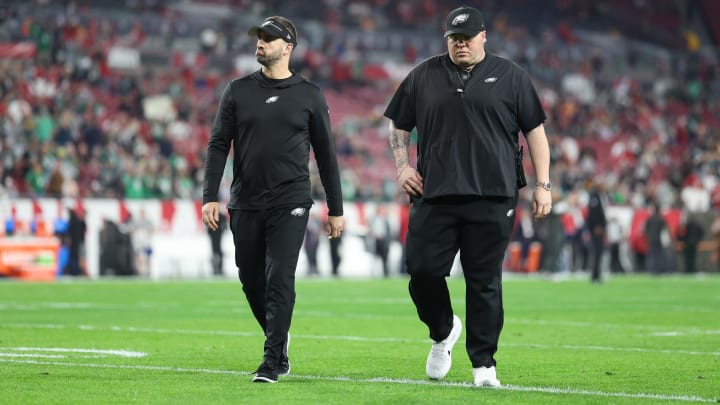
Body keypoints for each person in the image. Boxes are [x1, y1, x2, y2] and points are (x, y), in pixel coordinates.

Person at [384, 6, 551, 388]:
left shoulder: (512, 77)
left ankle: (484, 365)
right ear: (447, 39)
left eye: (467, 37)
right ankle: (443, 331)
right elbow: (399, 124)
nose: (460, 44)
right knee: (422, 271)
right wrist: (402, 166)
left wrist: (544, 185)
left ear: (483, 37)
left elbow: (535, 132)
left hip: (493, 195)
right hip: (435, 192)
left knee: (484, 281)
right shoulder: (424, 74)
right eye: (454, 38)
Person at [201, 15, 344, 384]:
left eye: (269, 38)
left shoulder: (310, 95)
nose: (260, 43)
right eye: (259, 38)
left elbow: (326, 155)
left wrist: (336, 208)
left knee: (280, 275)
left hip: (291, 200)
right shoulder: (236, 90)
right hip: (244, 201)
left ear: (288, 47)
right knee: (251, 279)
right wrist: (208, 196)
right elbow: (218, 144)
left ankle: (271, 360)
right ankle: (279, 336)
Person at [586, 179, 608, 283]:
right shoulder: (594, 197)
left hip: (601, 228)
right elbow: (593, 213)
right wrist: (596, 226)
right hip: (597, 229)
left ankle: (597, 274)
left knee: (599, 252)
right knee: (597, 252)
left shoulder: (601, 196)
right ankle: (595, 275)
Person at [207, 211, 227, 276]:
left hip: (215, 238)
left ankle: (216, 270)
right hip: (217, 238)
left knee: (216, 253)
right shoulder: (220, 215)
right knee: (217, 253)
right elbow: (225, 227)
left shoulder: (211, 216)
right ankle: (218, 269)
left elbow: (208, 228)